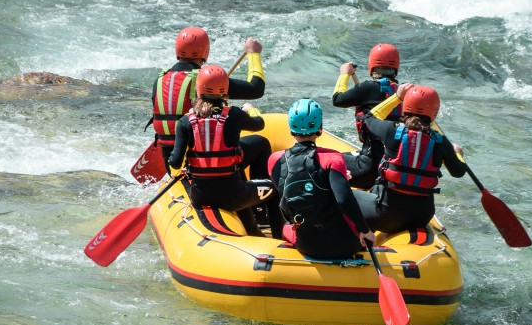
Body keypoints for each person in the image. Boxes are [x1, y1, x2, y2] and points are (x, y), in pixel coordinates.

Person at [168, 64, 283, 239]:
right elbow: (259, 124)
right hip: (233, 197)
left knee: (238, 170)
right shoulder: (235, 114)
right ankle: (278, 237)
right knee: (275, 189)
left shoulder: (185, 121)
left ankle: (252, 228)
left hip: (200, 197)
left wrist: (182, 169)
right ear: (226, 90)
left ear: (198, 89)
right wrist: (250, 110)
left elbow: (175, 163)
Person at [268, 98, 376, 260]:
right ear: (320, 128)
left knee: (287, 228)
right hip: (345, 246)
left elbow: (292, 190)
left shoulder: (275, 160)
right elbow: (344, 200)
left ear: (291, 128)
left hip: (306, 245)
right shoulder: (333, 157)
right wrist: (366, 231)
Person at [354, 83, 467, 234]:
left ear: (405, 106)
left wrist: (397, 97)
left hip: (386, 216)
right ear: (434, 112)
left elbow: (369, 117)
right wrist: (457, 153)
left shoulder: (391, 131)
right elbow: (458, 172)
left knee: (344, 195)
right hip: (421, 218)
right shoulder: (440, 141)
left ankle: (358, 239)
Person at [149, 26, 266, 169]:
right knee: (260, 142)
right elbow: (255, 89)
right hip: (201, 157)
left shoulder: (160, 79)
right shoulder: (205, 79)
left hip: (171, 157)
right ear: (206, 50)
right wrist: (253, 53)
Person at [332, 43, 404, 189]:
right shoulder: (405, 94)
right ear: (396, 67)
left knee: (323, 160)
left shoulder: (368, 87)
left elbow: (337, 99)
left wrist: (345, 74)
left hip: (369, 171)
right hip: (394, 171)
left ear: (372, 66)